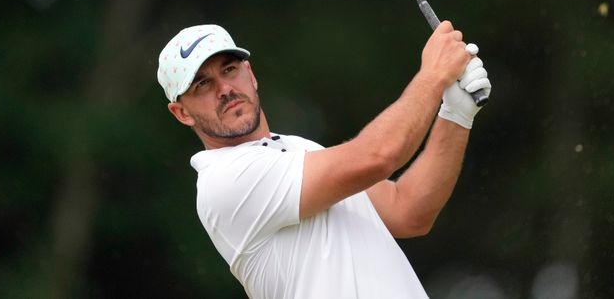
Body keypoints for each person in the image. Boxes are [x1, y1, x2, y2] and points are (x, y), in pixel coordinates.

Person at [157, 21, 491, 298]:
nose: (225, 89)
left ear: (250, 73)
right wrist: (433, 76)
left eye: (229, 69)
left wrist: (456, 114)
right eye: (203, 84)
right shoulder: (224, 180)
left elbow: (408, 210)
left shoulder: (299, 149)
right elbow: (378, 155)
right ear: (181, 112)